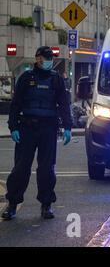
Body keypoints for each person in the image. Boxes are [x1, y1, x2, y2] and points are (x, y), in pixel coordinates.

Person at [1, 46, 72, 221]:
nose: (46, 61)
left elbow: (63, 104)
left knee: (47, 169)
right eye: (43, 57)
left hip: (48, 128)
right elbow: (15, 105)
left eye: (48, 58)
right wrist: (14, 127)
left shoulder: (56, 80)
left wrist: (68, 127)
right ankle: (12, 204)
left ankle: (46, 205)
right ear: (37, 58)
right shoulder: (26, 78)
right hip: (27, 128)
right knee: (21, 168)